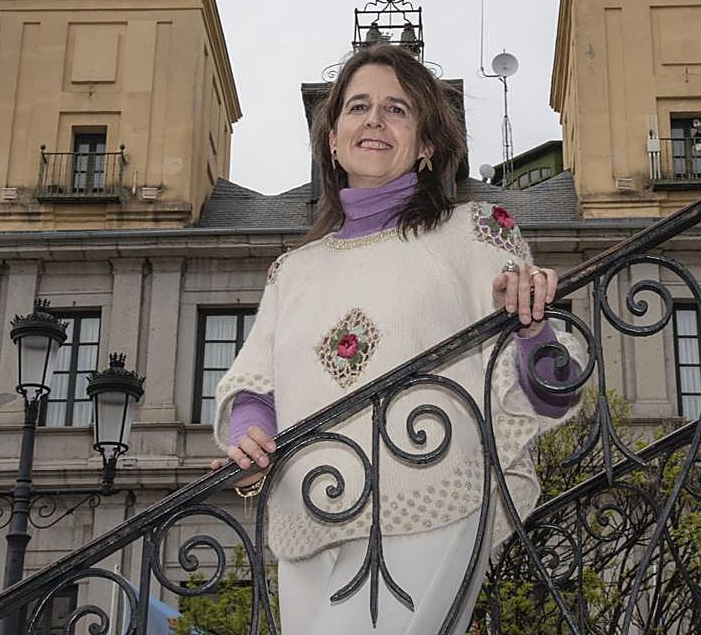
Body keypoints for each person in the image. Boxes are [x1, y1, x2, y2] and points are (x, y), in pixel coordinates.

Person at [211, 43, 584, 634]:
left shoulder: (476, 229)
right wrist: (248, 438)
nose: (375, 120)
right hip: (307, 513)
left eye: (398, 109)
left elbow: (551, 391)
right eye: (358, 107)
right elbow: (257, 385)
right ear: (332, 140)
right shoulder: (294, 270)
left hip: (432, 496)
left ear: (428, 143)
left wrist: (533, 323)